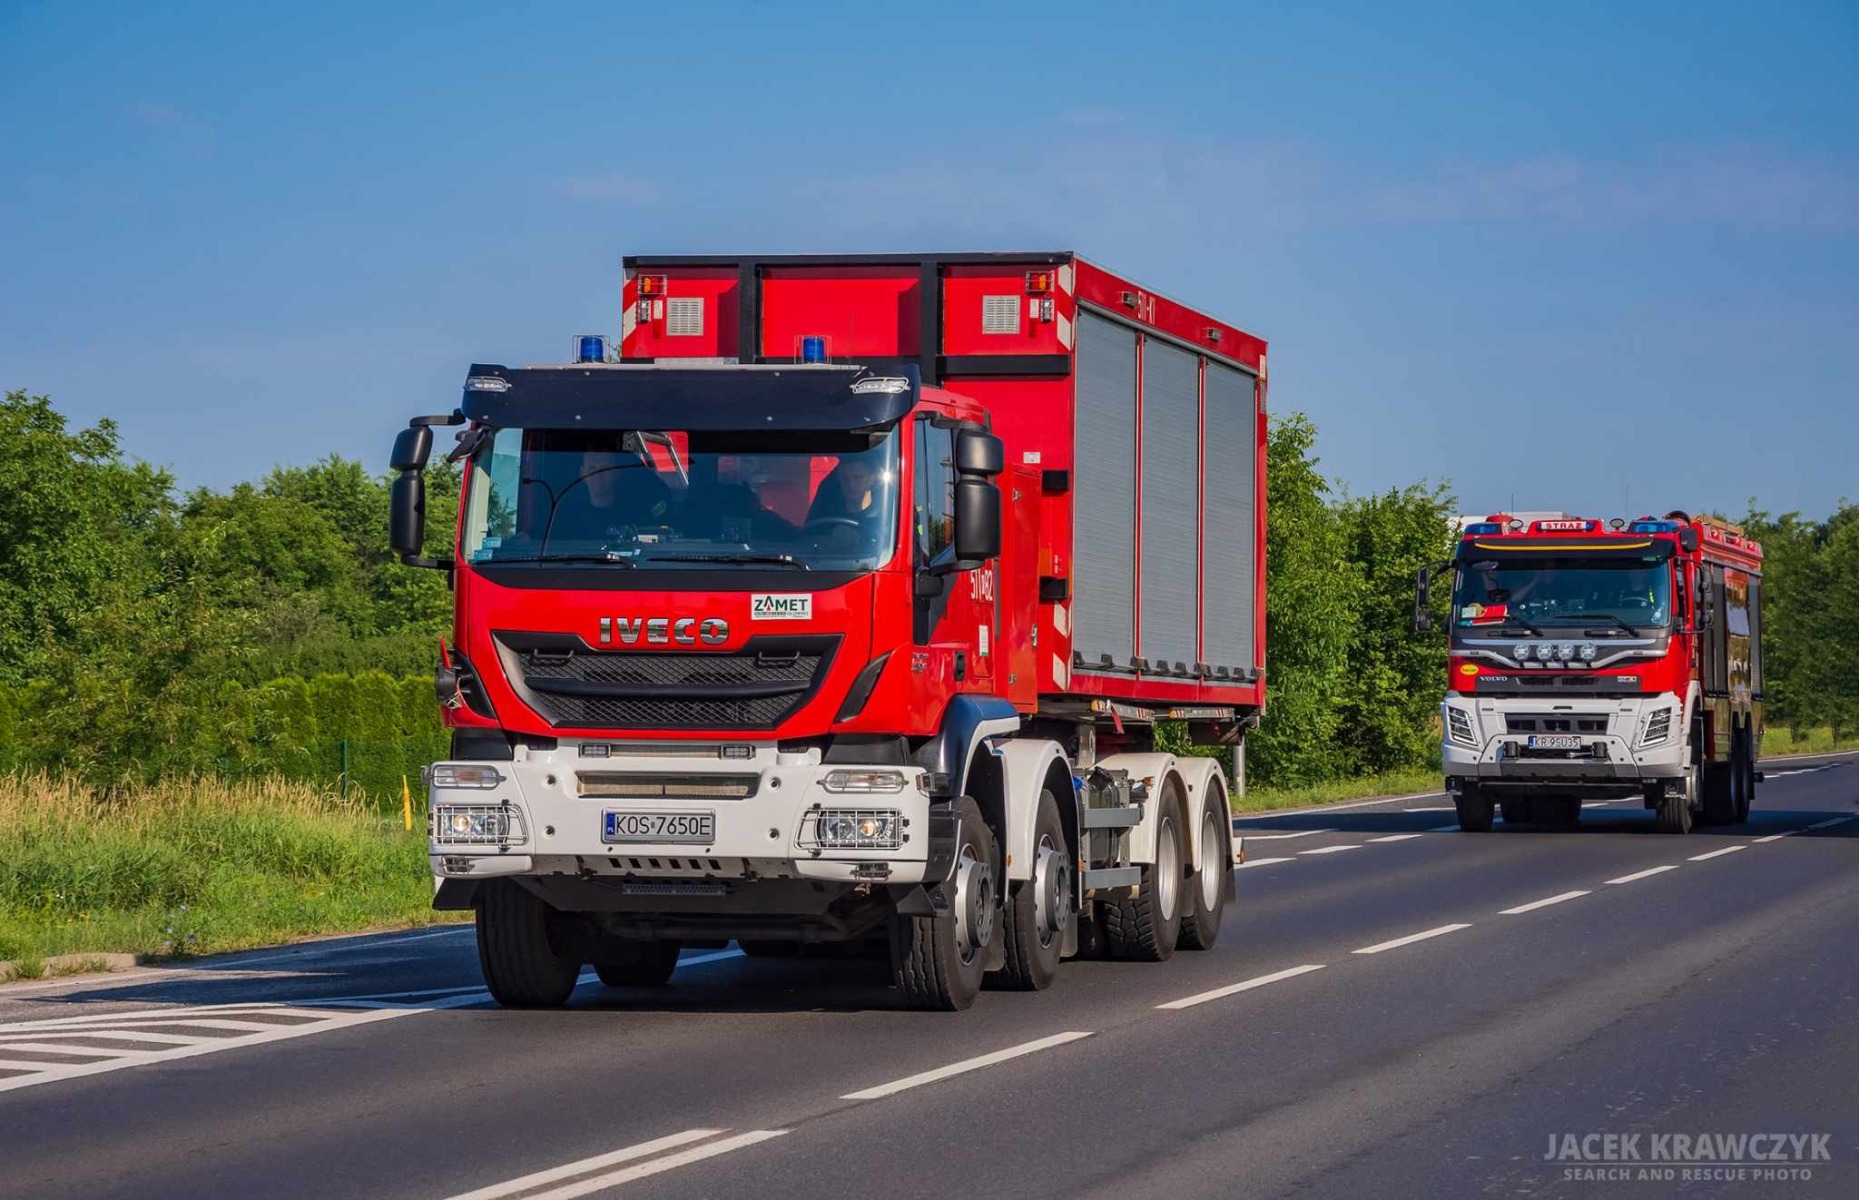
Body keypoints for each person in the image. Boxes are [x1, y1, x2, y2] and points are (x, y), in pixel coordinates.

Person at [544, 446, 671, 548]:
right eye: (592, 468)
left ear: (616, 473)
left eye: (605, 469)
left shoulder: (637, 515)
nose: (598, 475)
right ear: (582, 473)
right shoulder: (566, 516)